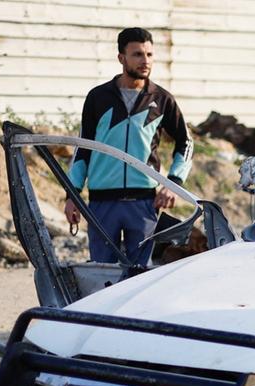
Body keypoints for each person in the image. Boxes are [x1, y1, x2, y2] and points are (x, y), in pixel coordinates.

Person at [66, 27, 192, 265]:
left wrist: (173, 184)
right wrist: (71, 194)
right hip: (102, 204)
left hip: (143, 203)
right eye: (137, 54)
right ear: (121, 58)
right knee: (103, 274)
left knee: (141, 276)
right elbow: (82, 148)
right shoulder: (98, 97)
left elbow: (186, 143)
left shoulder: (162, 100)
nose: (145, 61)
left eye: (149, 55)